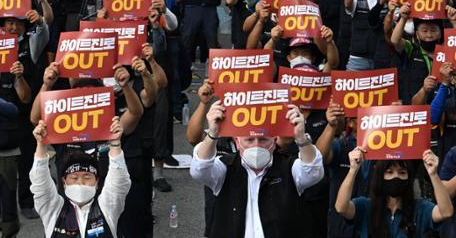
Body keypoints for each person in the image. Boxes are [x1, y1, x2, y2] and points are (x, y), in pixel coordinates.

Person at [190, 101, 325, 237]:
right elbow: (199, 169)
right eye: (249, 140)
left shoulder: (289, 167)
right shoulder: (225, 167)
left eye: (263, 140)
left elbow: (313, 172)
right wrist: (213, 134)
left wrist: (301, 138)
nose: (256, 146)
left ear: (274, 141)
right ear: (237, 142)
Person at [30, 116, 131, 237]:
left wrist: (115, 143)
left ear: (97, 182)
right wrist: (41, 144)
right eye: (73, 178)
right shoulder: (53, 209)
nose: (80, 182)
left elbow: (119, 181)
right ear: (64, 182)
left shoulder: (107, 207)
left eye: (87, 177)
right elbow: (40, 184)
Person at [335, 147, 453, 237]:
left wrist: (433, 174)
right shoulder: (365, 206)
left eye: (402, 173)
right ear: (380, 176)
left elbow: (446, 212)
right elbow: (341, 207)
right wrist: (353, 170)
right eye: (389, 172)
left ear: (409, 178)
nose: (395, 177)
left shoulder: (420, 208)